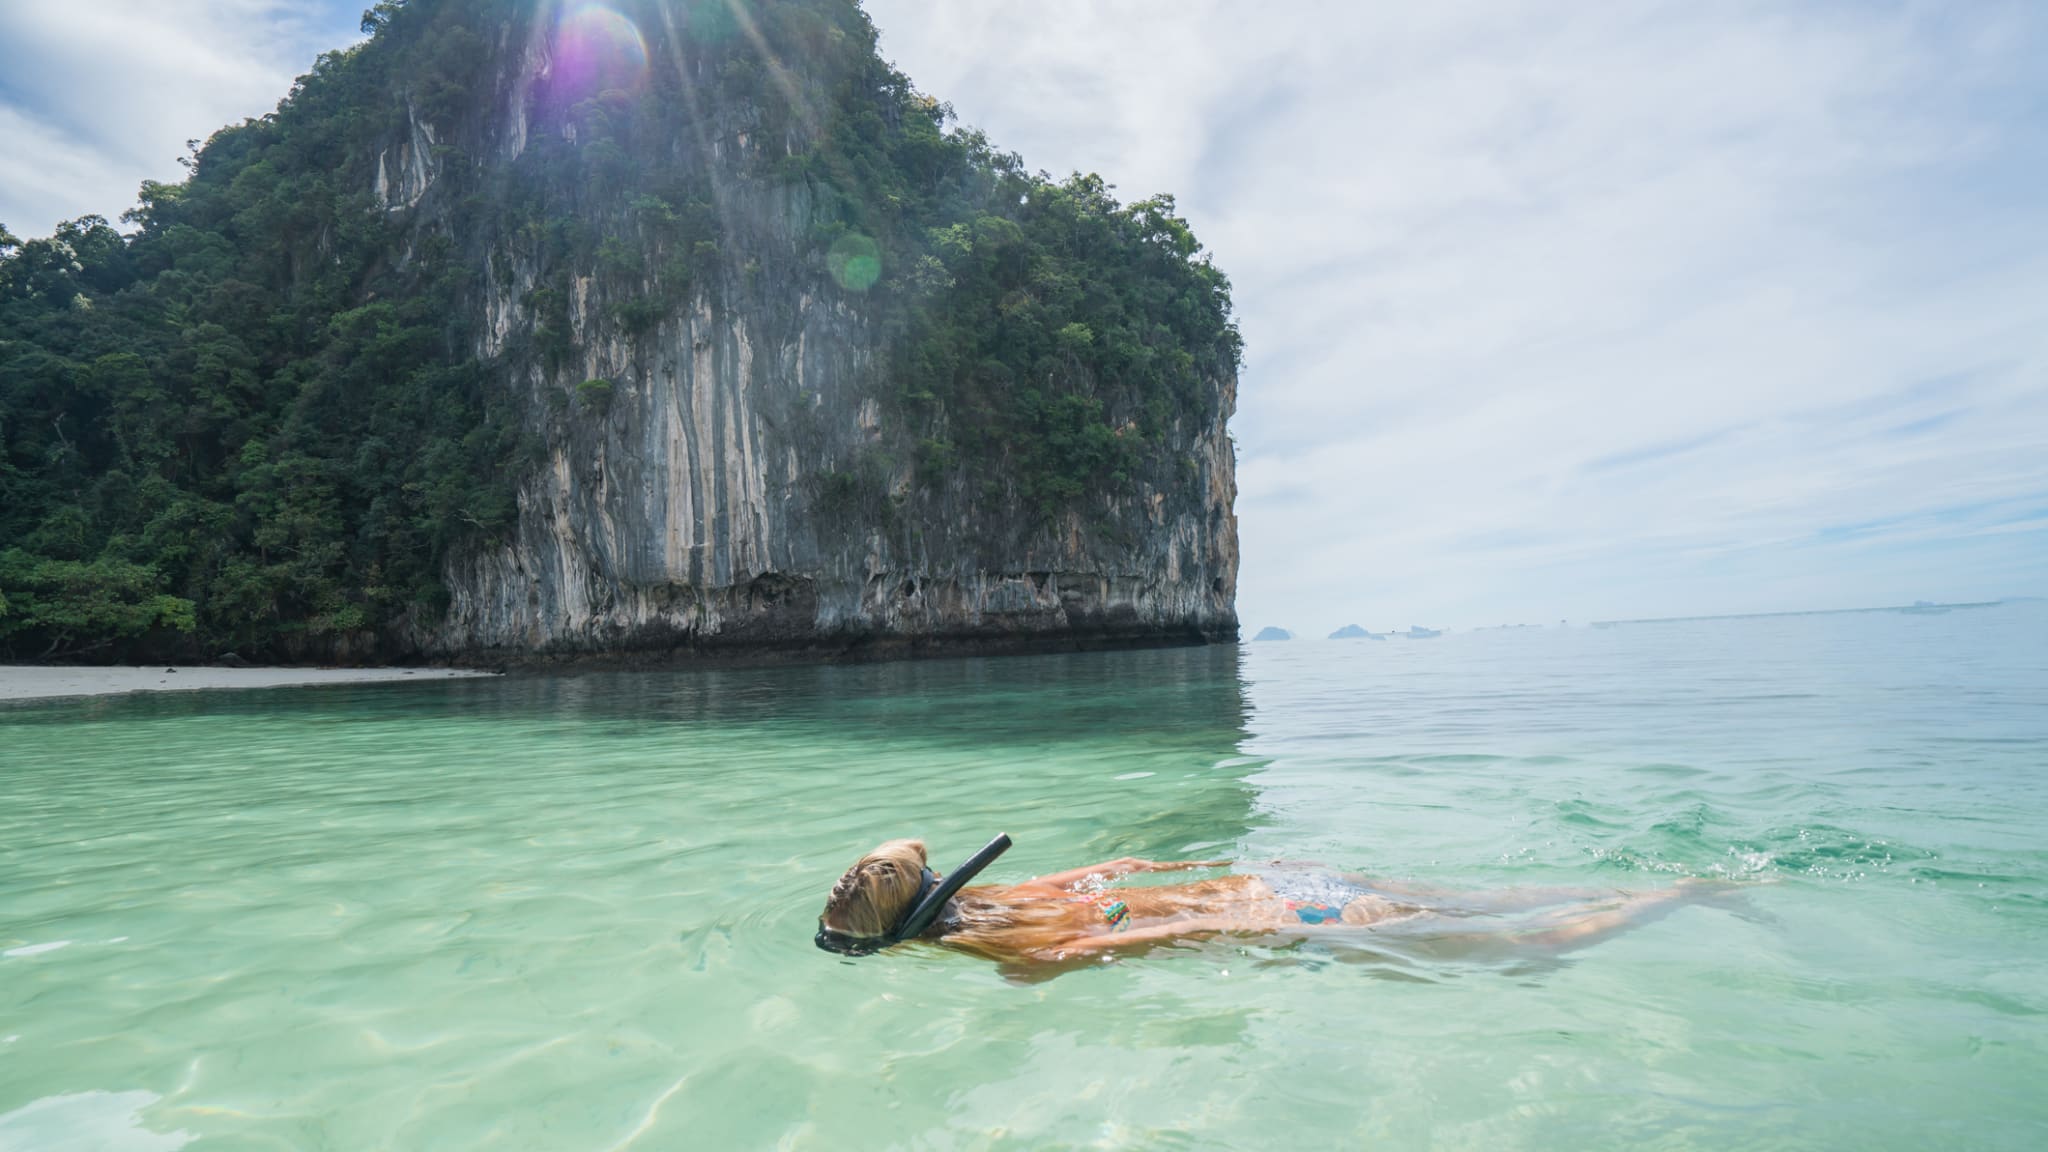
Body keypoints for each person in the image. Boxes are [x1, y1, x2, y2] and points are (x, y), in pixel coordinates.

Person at [817, 837, 1730, 968]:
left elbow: (1164, 933)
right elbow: (1130, 865)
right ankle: (1652, 882)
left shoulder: (1027, 951)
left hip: (1298, 917)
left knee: (1525, 951)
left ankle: (1681, 895)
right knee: (1496, 901)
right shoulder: (1019, 895)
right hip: (1278, 878)